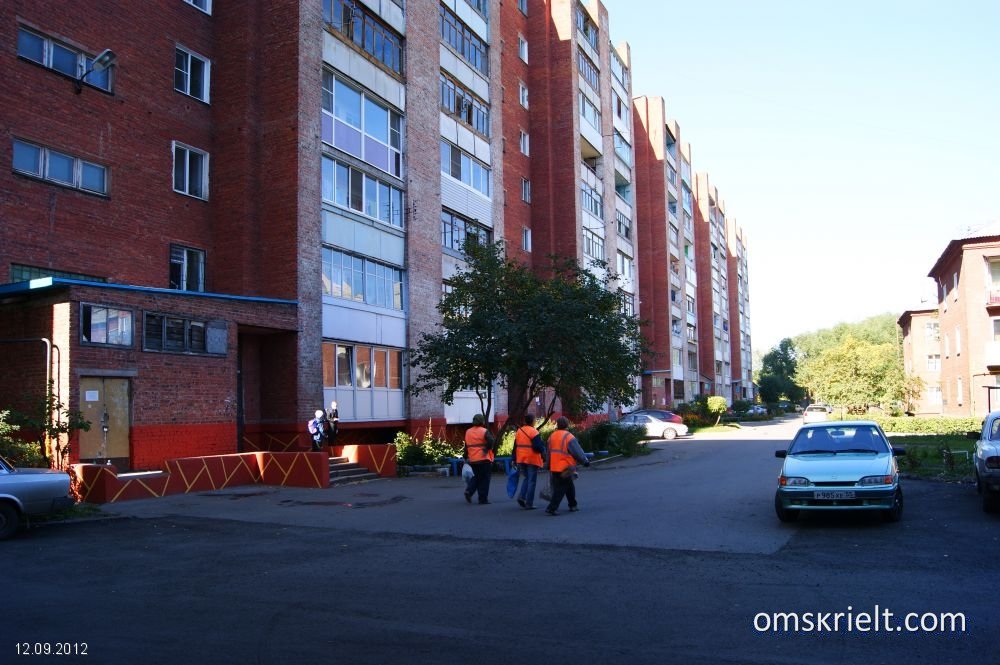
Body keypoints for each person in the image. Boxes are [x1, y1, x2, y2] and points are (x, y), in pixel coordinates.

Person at [544, 417, 590, 516]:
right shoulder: (568, 437)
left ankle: (573, 505)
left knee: (569, 486)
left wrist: (547, 464)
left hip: (554, 466)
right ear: (567, 424)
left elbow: (548, 453)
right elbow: (577, 451)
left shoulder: (551, 436)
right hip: (566, 467)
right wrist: (585, 461)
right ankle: (552, 508)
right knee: (561, 488)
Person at [513, 414, 545, 510]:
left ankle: (522, 497)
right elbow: (537, 447)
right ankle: (529, 503)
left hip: (521, 458)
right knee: (531, 481)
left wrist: (513, 459)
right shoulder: (533, 432)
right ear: (532, 421)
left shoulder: (519, 431)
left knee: (527, 478)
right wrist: (543, 449)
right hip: (531, 459)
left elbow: (515, 446)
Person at [463, 414, 496, 505]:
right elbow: (491, 441)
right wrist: (487, 449)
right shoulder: (484, 431)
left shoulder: (468, 432)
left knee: (476, 477)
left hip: (473, 459)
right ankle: (482, 499)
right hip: (484, 459)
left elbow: (466, 446)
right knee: (485, 479)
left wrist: (465, 457)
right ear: (482, 421)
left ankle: (469, 491)